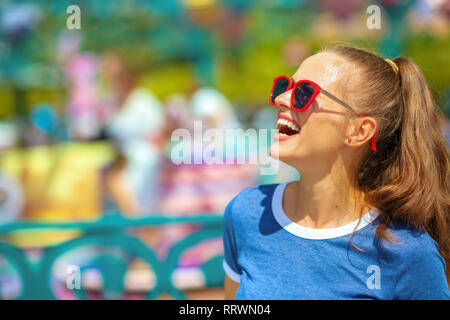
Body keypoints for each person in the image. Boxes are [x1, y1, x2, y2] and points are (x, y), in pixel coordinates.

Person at [223, 46, 450, 299]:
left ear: (359, 131)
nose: (281, 99)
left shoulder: (406, 254)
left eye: (304, 93)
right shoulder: (247, 213)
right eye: (285, 86)